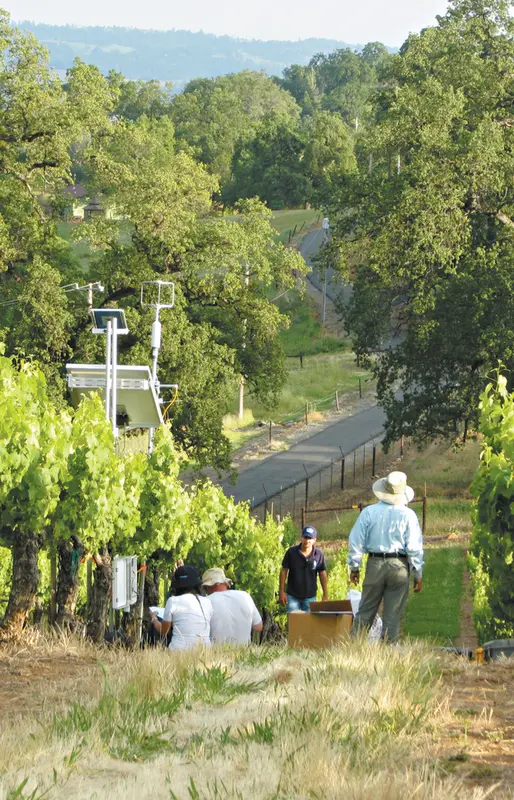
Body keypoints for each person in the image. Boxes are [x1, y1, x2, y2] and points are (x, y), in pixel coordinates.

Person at [347, 470, 424, 643]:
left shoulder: (369, 512)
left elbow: (356, 541)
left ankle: (354, 648)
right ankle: (389, 650)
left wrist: (355, 567)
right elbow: (414, 547)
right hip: (399, 565)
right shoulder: (408, 515)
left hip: (375, 563)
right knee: (393, 614)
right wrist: (418, 572)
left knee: (365, 610)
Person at [151, 565, 212, 651]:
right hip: (204, 651)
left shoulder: (173, 601)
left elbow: (164, 631)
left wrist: (154, 619)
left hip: (178, 652)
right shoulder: (207, 602)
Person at [201, 568, 263, 645]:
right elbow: (258, 627)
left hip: (217, 651)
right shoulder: (245, 596)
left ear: (207, 587)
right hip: (244, 651)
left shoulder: (206, 601)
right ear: (225, 582)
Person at [279, 525, 328, 612]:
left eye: (310, 538)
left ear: (315, 540)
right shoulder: (291, 552)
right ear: (301, 538)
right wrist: (281, 592)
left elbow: (322, 574)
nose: (307, 541)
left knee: (309, 620)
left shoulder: (318, 554)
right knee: (294, 620)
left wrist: (325, 594)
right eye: (305, 537)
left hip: (310, 597)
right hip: (293, 596)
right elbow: (284, 571)